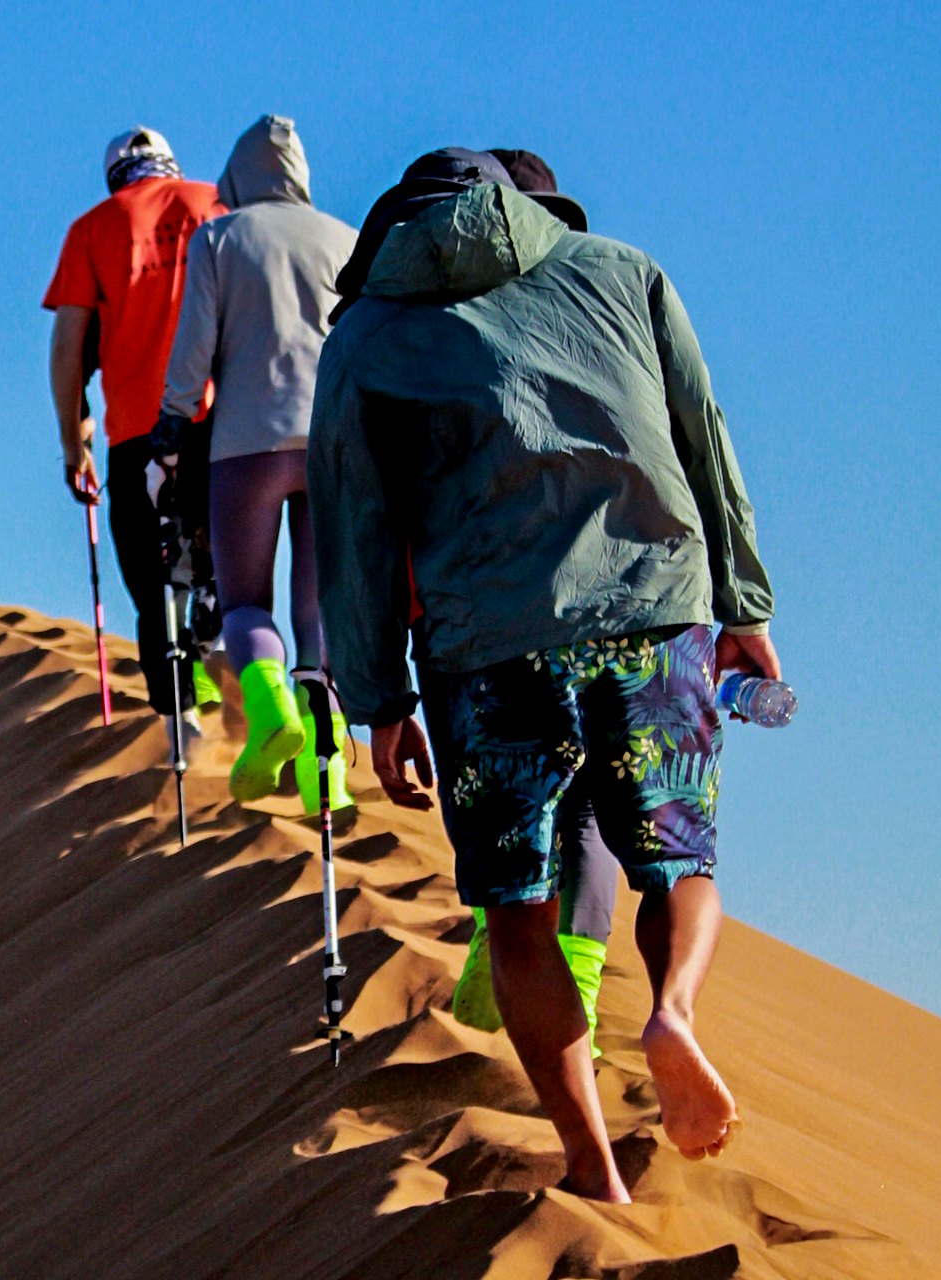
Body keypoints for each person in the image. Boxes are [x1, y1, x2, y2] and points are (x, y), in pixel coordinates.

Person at [309, 147, 778, 1202]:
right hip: (654, 608)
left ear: (390, 229)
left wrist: (378, 701)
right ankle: (673, 1014)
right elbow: (707, 439)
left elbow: (356, 531)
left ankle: (593, 1165)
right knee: (678, 861)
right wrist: (743, 606)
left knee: (517, 913)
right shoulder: (621, 270)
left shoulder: (364, 340)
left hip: (487, 651)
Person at [447, 149, 622, 1056]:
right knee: (591, 804)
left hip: (518, 604)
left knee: (517, 790)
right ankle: (574, 996)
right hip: (625, 597)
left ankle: (503, 959)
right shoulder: (608, 312)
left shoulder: (478, 322)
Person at [152, 116, 358, 813]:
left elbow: (195, 347)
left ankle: (270, 713)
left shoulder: (219, 237)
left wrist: (173, 420)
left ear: (239, 174)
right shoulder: (346, 238)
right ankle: (324, 771)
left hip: (247, 444)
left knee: (244, 601)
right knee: (318, 613)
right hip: (334, 444)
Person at [45, 127, 225, 734]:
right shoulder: (215, 204)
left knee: (152, 579)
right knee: (219, 559)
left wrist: (74, 445)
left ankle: (184, 721)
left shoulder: (92, 229)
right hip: (218, 419)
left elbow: (69, 348)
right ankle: (226, 662)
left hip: (136, 433)